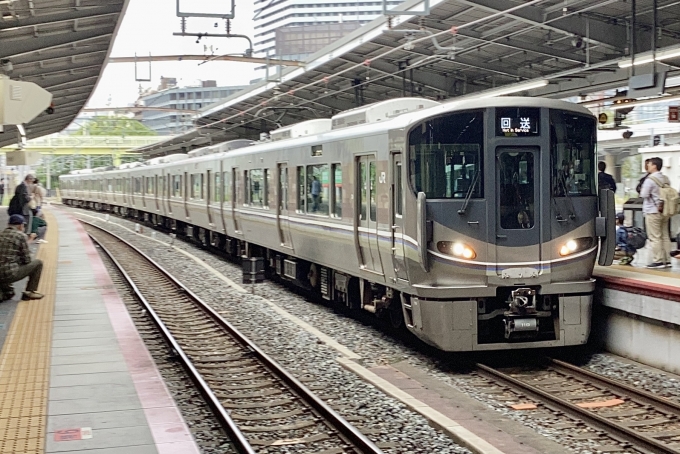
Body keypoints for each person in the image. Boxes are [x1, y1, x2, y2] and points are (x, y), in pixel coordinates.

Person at [0, 214, 44, 301]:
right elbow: (27, 260)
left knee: (9, 293)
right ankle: (29, 292)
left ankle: (4, 292)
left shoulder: (1, 234)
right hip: (9, 273)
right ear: (21, 226)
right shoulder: (20, 235)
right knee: (38, 263)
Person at [640, 157, 671, 268]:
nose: (648, 165)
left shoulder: (650, 180)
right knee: (665, 236)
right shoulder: (665, 178)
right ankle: (667, 260)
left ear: (654, 166)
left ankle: (658, 260)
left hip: (652, 211)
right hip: (665, 211)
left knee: (655, 237)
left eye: (650, 164)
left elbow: (643, 194)